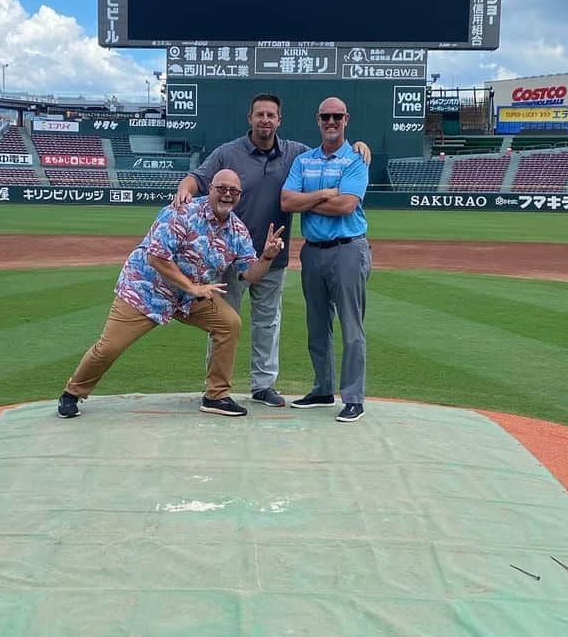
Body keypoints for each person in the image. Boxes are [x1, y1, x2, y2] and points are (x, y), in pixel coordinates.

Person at [174, 93, 370, 407]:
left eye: (271, 115)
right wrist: (184, 189)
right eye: (260, 114)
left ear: (279, 121)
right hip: (229, 255)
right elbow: (200, 179)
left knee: (267, 323)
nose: (265, 120)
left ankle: (263, 385)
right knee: (223, 322)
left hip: (271, 255)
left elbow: (337, 160)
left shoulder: (296, 153)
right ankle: (215, 388)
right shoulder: (229, 152)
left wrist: (360, 145)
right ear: (250, 118)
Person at [58, 169, 285, 419]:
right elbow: (156, 257)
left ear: (240, 196)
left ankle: (216, 396)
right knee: (110, 347)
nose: (227, 195)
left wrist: (267, 257)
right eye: (221, 189)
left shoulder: (237, 231)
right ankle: (72, 392)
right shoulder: (182, 212)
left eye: (234, 191)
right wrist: (193, 287)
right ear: (210, 188)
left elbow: (249, 274)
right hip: (146, 289)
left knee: (228, 323)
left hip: (188, 298)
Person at [280, 97, 371, 423]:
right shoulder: (304, 160)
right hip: (313, 251)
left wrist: (309, 200)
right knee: (317, 326)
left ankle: (353, 398)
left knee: (351, 328)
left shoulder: (356, 158)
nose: (331, 121)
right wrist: (324, 194)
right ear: (318, 120)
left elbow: (345, 206)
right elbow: (287, 201)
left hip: (348, 249)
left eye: (337, 116)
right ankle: (322, 388)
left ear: (346, 119)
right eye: (325, 117)